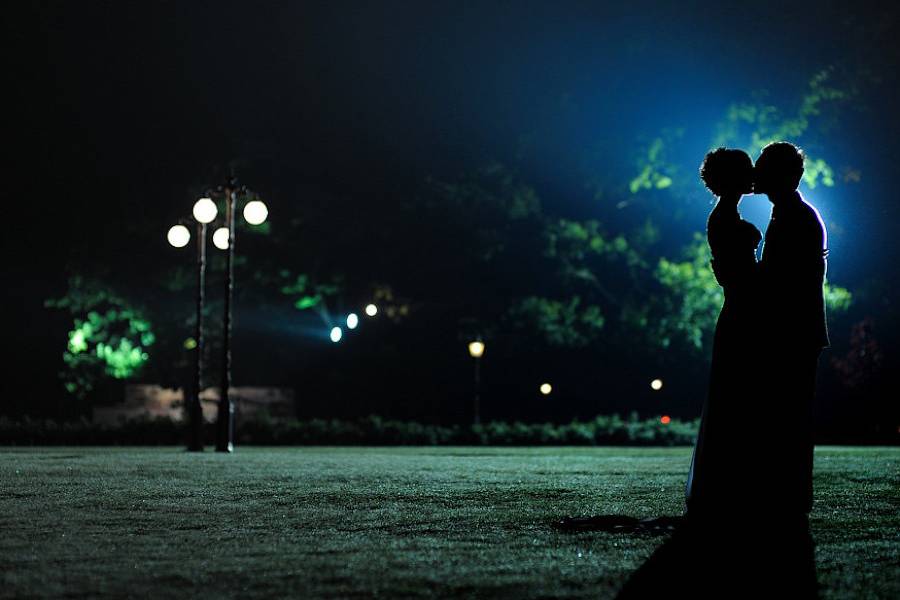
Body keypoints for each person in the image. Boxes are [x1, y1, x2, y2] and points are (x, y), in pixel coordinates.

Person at [684, 147, 763, 519]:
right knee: (737, 397)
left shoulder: (725, 216)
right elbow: (740, 276)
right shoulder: (724, 219)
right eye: (747, 170)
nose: (754, 175)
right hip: (743, 312)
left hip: (740, 309)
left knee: (736, 399)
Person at [753, 141, 829, 517]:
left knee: (790, 415)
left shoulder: (796, 217)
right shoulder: (789, 213)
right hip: (794, 329)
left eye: (764, 168)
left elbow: (787, 280)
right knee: (785, 415)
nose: (758, 174)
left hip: (793, 331)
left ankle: (791, 496)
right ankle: (785, 492)